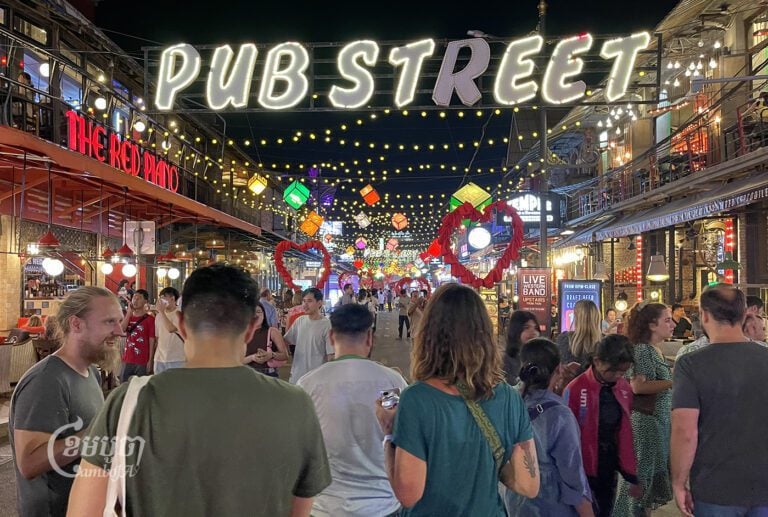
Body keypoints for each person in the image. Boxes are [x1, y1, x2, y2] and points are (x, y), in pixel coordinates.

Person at [67, 264, 332, 516]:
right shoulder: (295, 405)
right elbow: (298, 510)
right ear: (251, 328)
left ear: (181, 324)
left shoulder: (127, 402)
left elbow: (85, 510)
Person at [375, 283, 540, 516]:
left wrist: (389, 434)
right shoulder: (508, 397)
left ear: (429, 334)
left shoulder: (417, 400)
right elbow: (529, 485)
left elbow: (408, 494)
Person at [10, 287, 121, 516]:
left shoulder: (91, 372)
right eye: (109, 322)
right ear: (76, 324)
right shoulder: (46, 380)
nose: (119, 331)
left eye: (119, 321)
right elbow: (29, 463)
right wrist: (101, 430)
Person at [298, 304, 407, 517]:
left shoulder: (308, 384)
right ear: (369, 337)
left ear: (331, 336)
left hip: (325, 506)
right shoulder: (390, 382)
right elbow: (397, 436)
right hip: (381, 504)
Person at [671, 284, 768, 516]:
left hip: (715, 485)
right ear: (744, 314)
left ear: (704, 315)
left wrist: (678, 482)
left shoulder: (690, 364)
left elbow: (685, 430)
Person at [504, 339, 594, 517]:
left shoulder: (507, 402)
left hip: (515, 501)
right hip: (550, 504)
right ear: (559, 369)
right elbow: (572, 476)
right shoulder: (560, 415)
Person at [563, 335, 641, 517]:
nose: (617, 376)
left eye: (622, 373)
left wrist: (631, 474)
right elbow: (566, 436)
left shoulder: (623, 388)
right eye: (612, 371)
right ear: (597, 361)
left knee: (605, 510)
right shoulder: (575, 389)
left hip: (608, 464)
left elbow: (624, 432)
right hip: (581, 467)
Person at [614, 302, 675, 516]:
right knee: (640, 481)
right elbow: (638, 386)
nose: (673, 324)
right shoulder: (643, 350)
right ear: (651, 325)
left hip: (655, 424)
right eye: (667, 320)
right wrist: (674, 381)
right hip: (646, 425)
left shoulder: (653, 350)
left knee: (645, 483)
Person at [285, 287, 334, 384]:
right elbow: (286, 340)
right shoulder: (300, 321)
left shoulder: (327, 325)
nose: (305, 305)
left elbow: (331, 356)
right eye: (303, 301)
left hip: (317, 379)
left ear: (319, 303)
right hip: (297, 377)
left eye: (309, 301)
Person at [243, 302, 290, 378]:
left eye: (258, 312)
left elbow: (285, 355)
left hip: (269, 376)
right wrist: (252, 357)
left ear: (264, 315)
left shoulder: (272, 331)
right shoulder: (241, 334)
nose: (256, 315)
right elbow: (236, 360)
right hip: (248, 376)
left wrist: (271, 355)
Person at [119, 289, 156, 381]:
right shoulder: (129, 317)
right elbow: (121, 330)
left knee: (140, 387)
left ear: (145, 301)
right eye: (134, 298)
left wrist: (150, 360)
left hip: (142, 360)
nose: (135, 300)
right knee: (124, 385)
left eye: (139, 298)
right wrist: (128, 313)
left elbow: (152, 340)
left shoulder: (150, 319)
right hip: (127, 358)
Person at [556, 299, 602, 368]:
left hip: (570, 378)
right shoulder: (605, 341)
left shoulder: (564, 339)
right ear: (597, 317)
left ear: (576, 317)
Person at [153, 287, 186, 373]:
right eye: (160, 297)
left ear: (172, 298)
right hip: (159, 358)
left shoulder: (180, 314)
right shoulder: (159, 316)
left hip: (177, 358)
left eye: (164, 297)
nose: (160, 300)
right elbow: (157, 337)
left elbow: (171, 329)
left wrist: (162, 312)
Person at [503, 310, 540, 386]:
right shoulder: (505, 360)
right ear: (516, 330)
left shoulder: (541, 358)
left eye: (535, 327)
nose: (533, 332)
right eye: (526, 327)